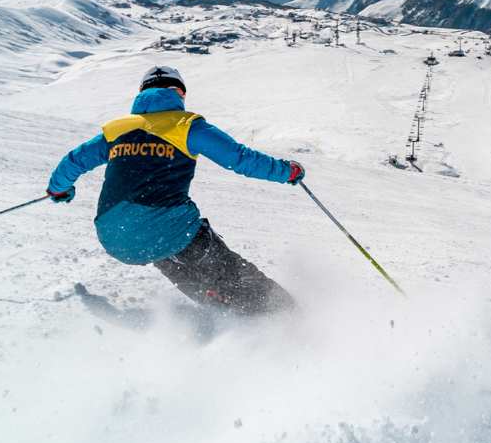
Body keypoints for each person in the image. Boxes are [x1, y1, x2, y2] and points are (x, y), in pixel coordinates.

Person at [46, 64, 303, 315]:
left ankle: (215, 300)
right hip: (167, 229)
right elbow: (240, 159)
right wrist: (287, 171)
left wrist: (59, 189)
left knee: (163, 246)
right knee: (221, 265)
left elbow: (74, 161)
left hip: (116, 237)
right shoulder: (186, 125)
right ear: (178, 92)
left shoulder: (117, 130)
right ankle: (285, 315)